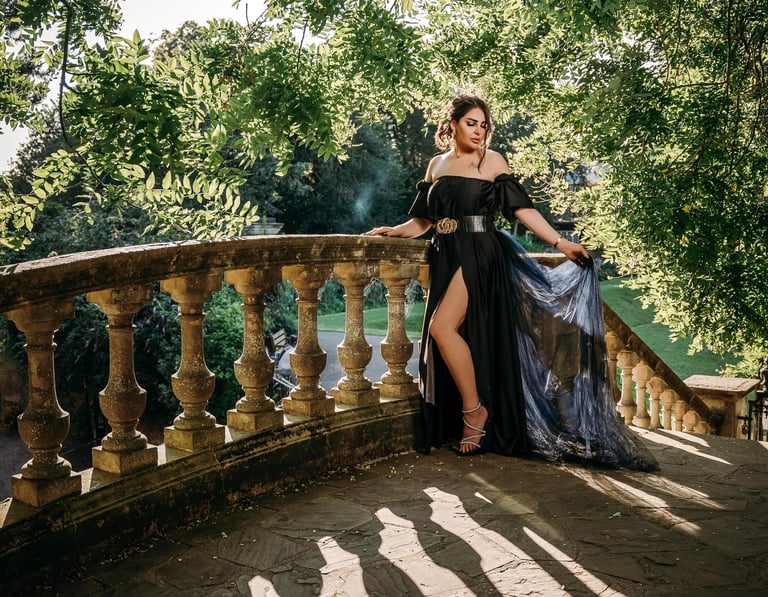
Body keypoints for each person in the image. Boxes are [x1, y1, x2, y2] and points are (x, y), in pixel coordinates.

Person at [366, 94, 656, 471]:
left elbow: (522, 209)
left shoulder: (492, 161)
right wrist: (395, 231)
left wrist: (560, 242)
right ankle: (471, 410)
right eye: (471, 122)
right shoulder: (436, 164)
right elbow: (423, 221)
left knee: (441, 328)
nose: (479, 130)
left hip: (479, 252)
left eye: (484, 125)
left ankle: (475, 410)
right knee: (452, 332)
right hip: (445, 254)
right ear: (452, 124)